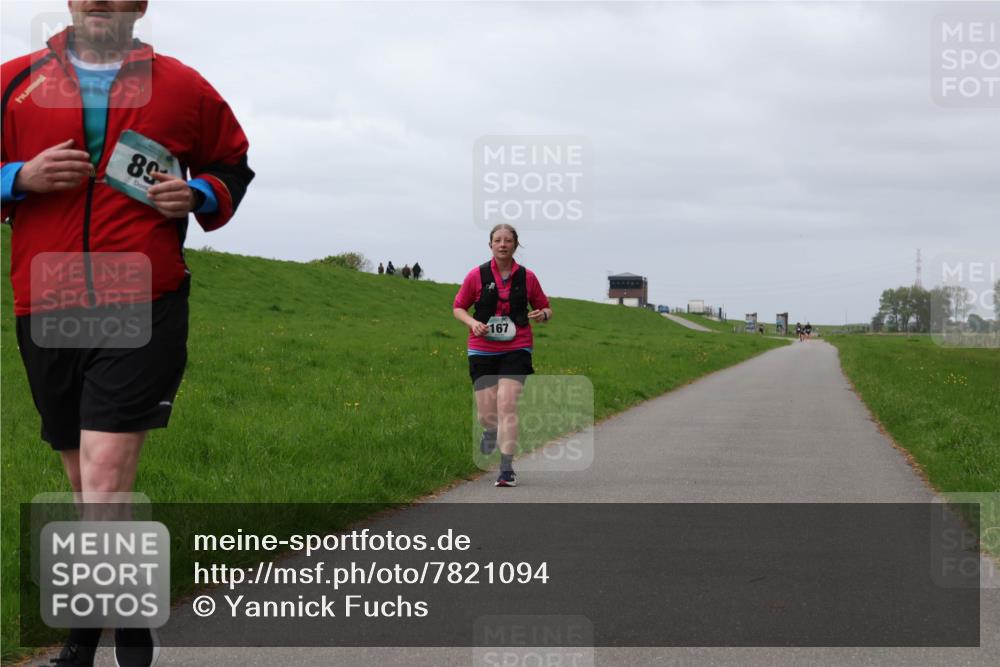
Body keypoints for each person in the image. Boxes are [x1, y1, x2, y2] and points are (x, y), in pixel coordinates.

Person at [1, 2, 253, 665]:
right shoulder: (13, 81)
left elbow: (233, 166)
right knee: (84, 481)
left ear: (140, 3)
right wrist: (16, 177)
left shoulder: (184, 86)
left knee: (107, 474)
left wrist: (198, 194)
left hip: (143, 295)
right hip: (47, 297)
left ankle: (87, 641)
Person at [452, 224, 551, 487]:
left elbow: (545, 307)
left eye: (508, 240)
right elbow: (458, 307)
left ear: (516, 245)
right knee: (486, 413)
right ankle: (490, 430)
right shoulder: (476, 275)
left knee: (507, 404)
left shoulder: (528, 277)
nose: (503, 244)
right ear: (491, 245)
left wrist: (542, 315)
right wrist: (473, 323)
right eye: (498, 240)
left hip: (517, 347)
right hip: (482, 348)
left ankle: (506, 469)